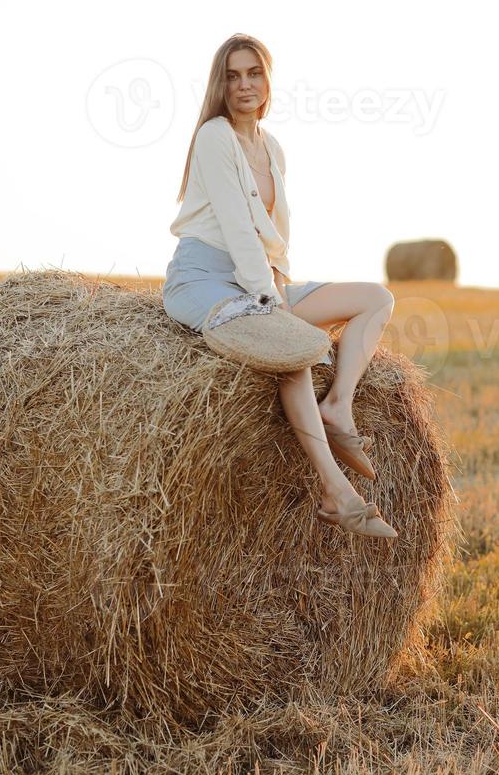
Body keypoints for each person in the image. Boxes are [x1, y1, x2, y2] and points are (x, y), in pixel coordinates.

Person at [163, 33, 396, 538]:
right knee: (289, 351)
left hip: (262, 279)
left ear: (268, 80)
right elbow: (236, 229)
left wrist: (281, 287)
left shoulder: (272, 148)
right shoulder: (214, 137)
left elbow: (274, 238)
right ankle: (336, 492)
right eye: (232, 76)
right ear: (219, 85)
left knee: (375, 299)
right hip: (205, 278)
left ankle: (338, 406)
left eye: (254, 73)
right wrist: (271, 304)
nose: (244, 85)